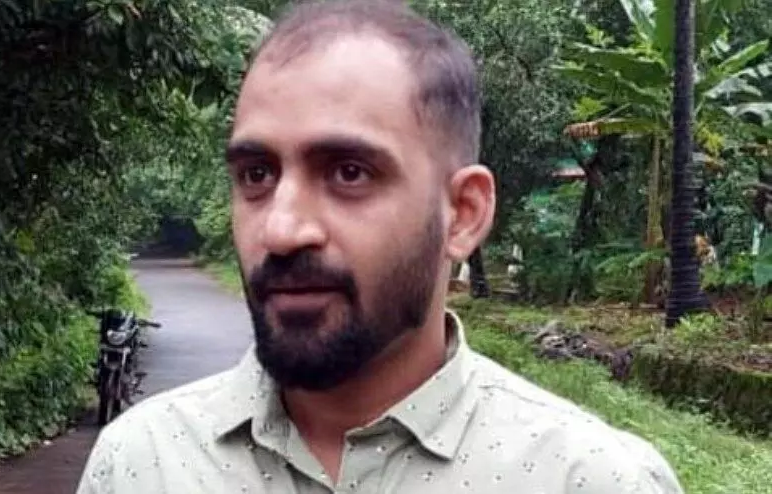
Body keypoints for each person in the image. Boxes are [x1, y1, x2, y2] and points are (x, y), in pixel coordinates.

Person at [76, 1, 684, 492]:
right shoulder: (140, 463)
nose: (282, 231)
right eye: (257, 175)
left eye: (349, 173)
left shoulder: (590, 479)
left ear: (463, 214)